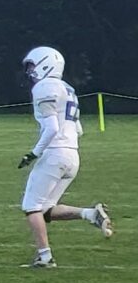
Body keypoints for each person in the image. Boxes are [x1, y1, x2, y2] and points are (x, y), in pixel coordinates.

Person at [17, 45, 112, 267]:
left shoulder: (45, 86)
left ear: (45, 64)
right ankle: (89, 214)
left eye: (32, 66)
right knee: (46, 209)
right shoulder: (67, 88)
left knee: (31, 207)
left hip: (55, 153)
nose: (30, 72)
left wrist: (33, 153)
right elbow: (78, 129)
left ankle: (45, 257)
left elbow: (51, 128)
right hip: (72, 154)